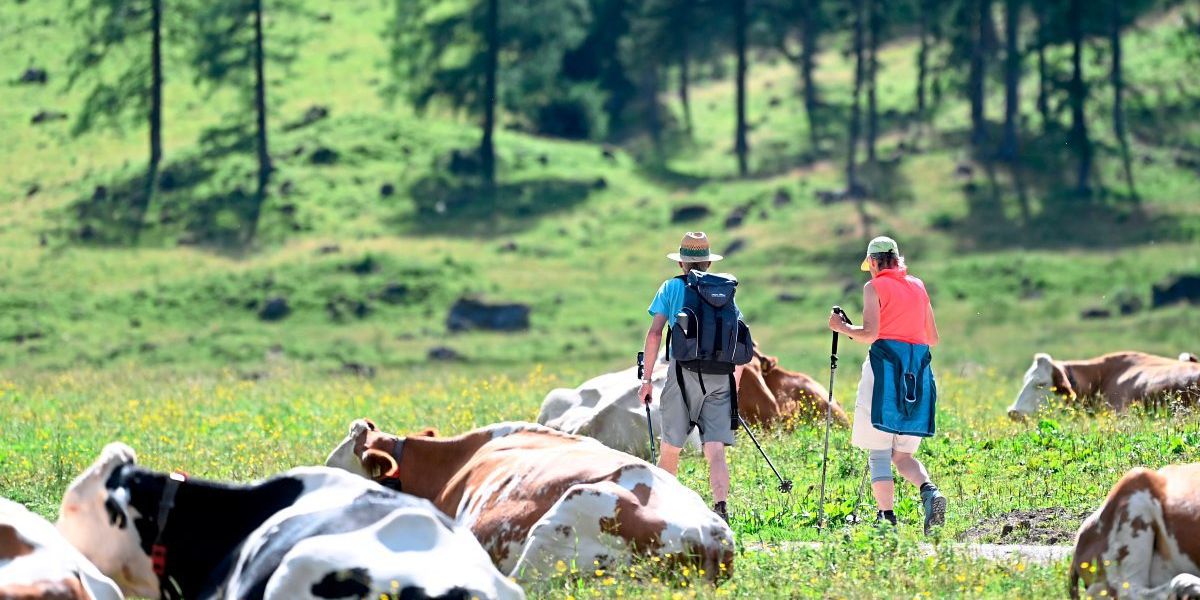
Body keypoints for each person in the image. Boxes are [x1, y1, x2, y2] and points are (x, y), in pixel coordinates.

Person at [828, 236, 947, 533]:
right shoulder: (918, 286)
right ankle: (929, 491)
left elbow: (870, 334)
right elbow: (932, 338)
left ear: (874, 263)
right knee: (903, 455)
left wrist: (841, 328)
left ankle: (887, 519)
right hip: (917, 376)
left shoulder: (874, 287)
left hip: (883, 374)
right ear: (897, 259)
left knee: (879, 454)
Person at [639, 231, 745, 523]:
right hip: (721, 376)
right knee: (715, 451)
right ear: (708, 263)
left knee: (670, 447)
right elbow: (738, 337)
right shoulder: (725, 290)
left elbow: (655, 334)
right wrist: (734, 385)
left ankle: (662, 511)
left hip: (682, 374)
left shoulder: (671, 288)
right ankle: (721, 507)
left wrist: (646, 380)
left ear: (681, 264)